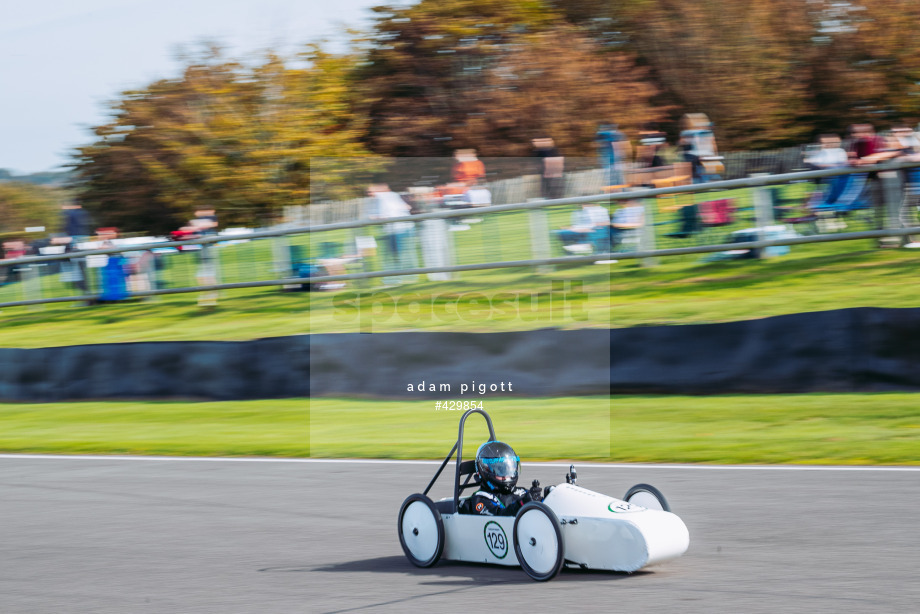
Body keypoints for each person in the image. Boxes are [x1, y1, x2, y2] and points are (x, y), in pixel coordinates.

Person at [465, 440, 542, 516]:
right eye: (500, 470)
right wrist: (522, 504)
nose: (506, 476)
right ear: (485, 471)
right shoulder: (480, 500)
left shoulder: (521, 492)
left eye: (508, 469)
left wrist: (546, 496)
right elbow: (499, 518)